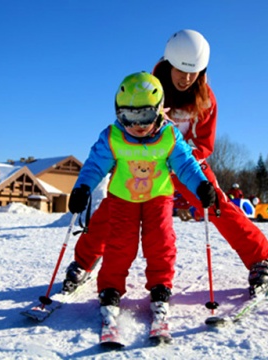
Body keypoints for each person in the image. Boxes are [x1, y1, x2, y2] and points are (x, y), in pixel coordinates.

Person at [65, 29, 268, 297]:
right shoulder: (148, 86)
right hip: (141, 162)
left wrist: (184, 160)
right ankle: (84, 262)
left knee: (216, 204)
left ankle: (260, 259)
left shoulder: (206, 99)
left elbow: (204, 143)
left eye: (194, 72)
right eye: (181, 70)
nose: (186, 78)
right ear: (169, 63)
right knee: (113, 210)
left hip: (183, 162)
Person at [67, 71, 216, 319]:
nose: (136, 125)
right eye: (127, 117)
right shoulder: (113, 137)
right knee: (119, 245)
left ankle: (161, 286)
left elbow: (186, 164)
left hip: (158, 198)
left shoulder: (169, 136)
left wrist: (201, 185)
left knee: (161, 242)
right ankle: (110, 288)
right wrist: (82, 187)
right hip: (122, 199)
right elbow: (95, 165)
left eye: (144, 116)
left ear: (158, 110)